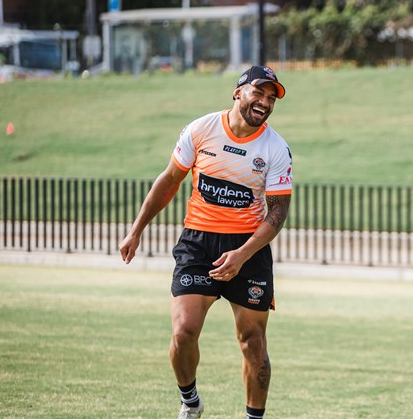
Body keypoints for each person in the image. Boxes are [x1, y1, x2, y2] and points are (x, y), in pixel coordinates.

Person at [119, 66, 293, 419]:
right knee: (183, 332)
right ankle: (190, 401)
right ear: (238, 93)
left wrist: (242, 255)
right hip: (198, 243)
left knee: (253, 343)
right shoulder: (201, 130)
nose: (265, 102)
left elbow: (276, 215)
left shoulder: (276, 148)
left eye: (271, 98)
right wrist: (136, 229)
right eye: (259, 93)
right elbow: (169, 180)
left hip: (249, 247)